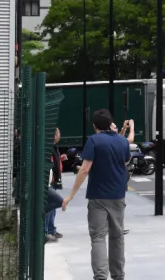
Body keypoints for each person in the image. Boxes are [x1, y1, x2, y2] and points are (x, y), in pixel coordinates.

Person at [62, 109, 131, 280]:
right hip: (118, 195)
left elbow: (85, 169)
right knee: (117, 236)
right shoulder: (122, 141)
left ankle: (101, 276)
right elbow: (126, 160)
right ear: (110, 123)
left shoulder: (94, 141)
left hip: (97, 196)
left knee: (98, 237)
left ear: (94, 126)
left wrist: (70, 195)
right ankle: (118, 275)